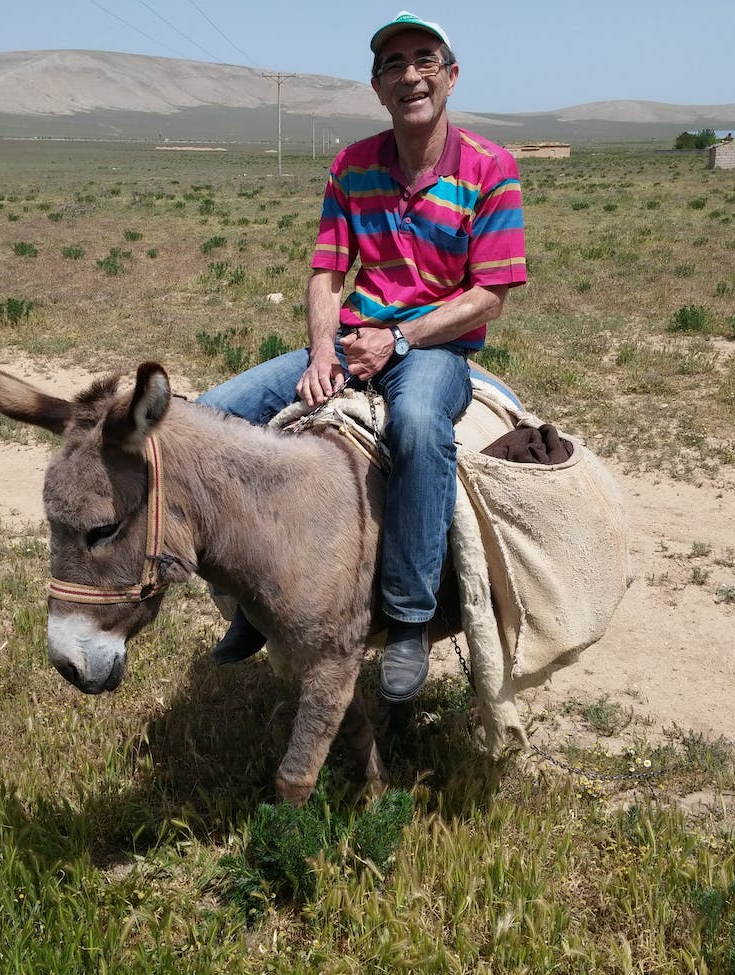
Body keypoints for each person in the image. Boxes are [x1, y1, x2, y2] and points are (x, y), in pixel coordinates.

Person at [198, 10, 527, 703]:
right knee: (207, 419)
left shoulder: (491, 168)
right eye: (394, 66)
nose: (410, 75)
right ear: (378, 89)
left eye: (424, 59)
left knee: (415, 426)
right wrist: (322, 349)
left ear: (451, 75)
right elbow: (325, 272)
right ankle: (252, 597)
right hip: (350, 340)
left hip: (433, 346)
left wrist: (401, 339)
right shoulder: (353, 166)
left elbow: (490, 293)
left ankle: (408, 617)